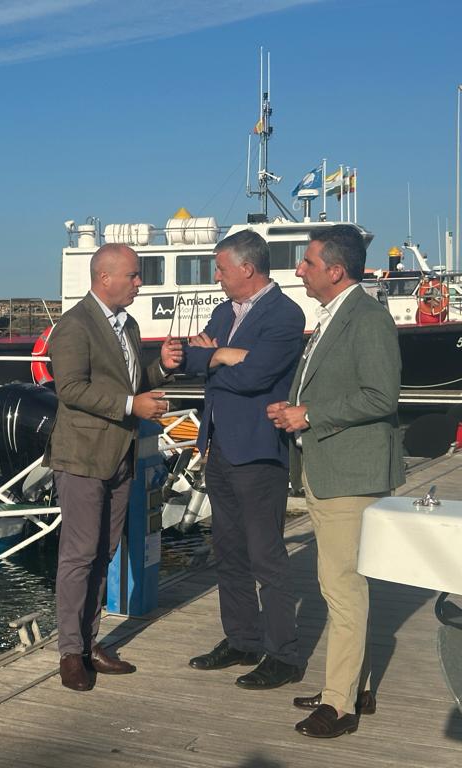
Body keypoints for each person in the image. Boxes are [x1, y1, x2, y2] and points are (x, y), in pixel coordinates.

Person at [267, 225, 403, 738]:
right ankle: (352, 685)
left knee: (342, 591)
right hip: (332, 470)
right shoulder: (336, 316)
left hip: (352, 475)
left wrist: (310, 413)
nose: (299, 270)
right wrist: (295, 410)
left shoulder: (366, 319)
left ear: (335, 270)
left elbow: (381, 397)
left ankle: (340, 705)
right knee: (341, 586)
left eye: (306, 262)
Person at [44, 242, 183, 691]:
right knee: (78, 557)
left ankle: (89, 641)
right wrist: (131, 404)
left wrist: (160, 367)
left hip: (118, 456)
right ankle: (69, 653)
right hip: (83, 457)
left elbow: (133, 382)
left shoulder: (130, 325)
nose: (140, 283)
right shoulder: (74, 326)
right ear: (105, 278)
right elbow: (70, 389)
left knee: (103, 553)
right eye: (134, 275)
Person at [182, 230, 306, 689]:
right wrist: (220, 356)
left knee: (265, 557)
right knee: (229, 553)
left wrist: (214, 357)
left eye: (220, 268)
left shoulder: (284, 314)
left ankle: (284, 655)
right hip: (219, 447)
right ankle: (242, 639)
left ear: (247, 269)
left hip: (257, 450)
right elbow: (195, 366)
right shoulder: (222, 311)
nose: (216, 276)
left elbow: (256, 377)